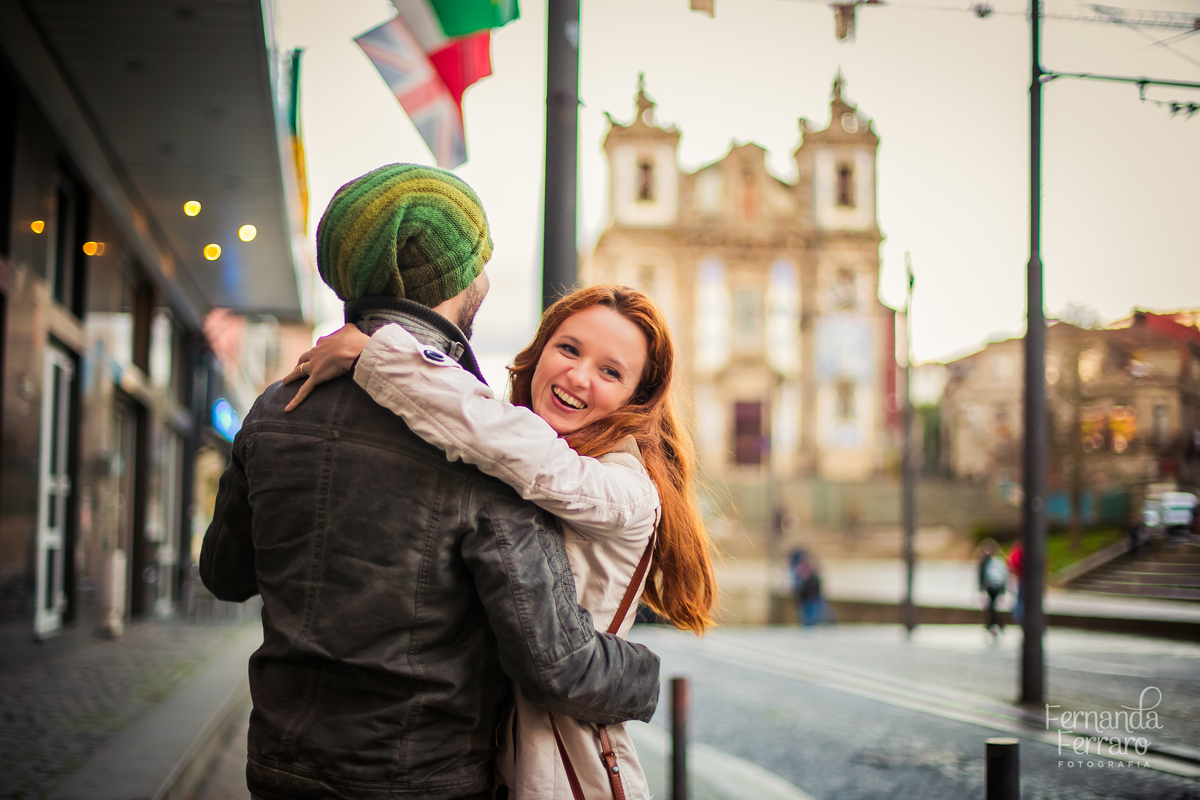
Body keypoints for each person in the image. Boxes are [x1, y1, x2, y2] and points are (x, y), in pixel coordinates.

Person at [200, 164, 661, 800]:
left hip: (279, 764)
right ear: (460, 279)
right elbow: (553, 662)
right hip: (420, 778)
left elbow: (225, 574)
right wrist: (645, 671)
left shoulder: (275, 407)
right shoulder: (483, 447)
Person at [287, 282, 718, 800]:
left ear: (636, 398)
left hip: (565, 775)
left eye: (611, 371)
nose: (578, 376)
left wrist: (375, 351)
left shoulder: (624, 489)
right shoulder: (538, 457)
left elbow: (507, 440)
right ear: (539, 352)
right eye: (569, 348)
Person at [977, 539, 1009, 637]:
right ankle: (993, 624)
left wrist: (981, 587)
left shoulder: (987, 561)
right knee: (992, 606)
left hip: (992, 587)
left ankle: (993, 624)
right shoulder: (998, 559)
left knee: (991, 606)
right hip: (994, 586)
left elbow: (981, 576)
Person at [1007, 539, 1024, 625]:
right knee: (1020, 599)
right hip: (1021, 578)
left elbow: (1012, 564)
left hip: (1019, 578)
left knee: (1019, 599)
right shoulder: (1020, 551)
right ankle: (1019, 617)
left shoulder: (1017, 551)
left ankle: (1018, 617)